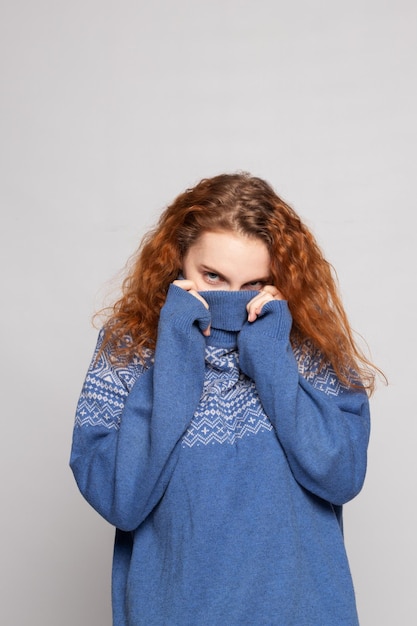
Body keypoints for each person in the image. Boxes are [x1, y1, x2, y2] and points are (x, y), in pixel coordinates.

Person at [70, 172, 380, 626]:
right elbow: (122, 499)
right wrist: (175, 354)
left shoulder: (307, 343)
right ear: (177, 260)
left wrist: (273, 360)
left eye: (254, 284)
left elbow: (342, 476)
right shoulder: (128, 348)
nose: (232, 301)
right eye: (212, 275)